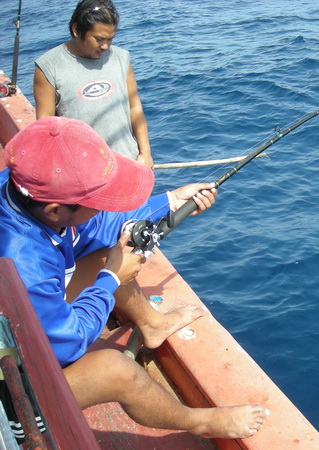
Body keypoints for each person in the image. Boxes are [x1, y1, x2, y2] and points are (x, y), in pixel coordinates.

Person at [0, 116, 268, 439]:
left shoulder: (22, 191)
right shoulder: (21, 264)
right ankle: (201, 423)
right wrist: (110, 279)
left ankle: (153, 325)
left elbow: (96, 226)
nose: (104, 206)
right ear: (56, 211)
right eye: (96, 202)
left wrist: (170, 202)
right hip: (14, 392)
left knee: (108, 254)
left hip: (25, 323)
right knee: (117, 370)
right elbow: (67, 345)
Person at [33, 0, 154, 168]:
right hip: (81, 169)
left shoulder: (121, 58)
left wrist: (145, 153)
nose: (105, 46)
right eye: (99, 39)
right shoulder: (49, 66)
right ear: (76, 30)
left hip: (128, 163)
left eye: (110, 39)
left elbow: (135, 107)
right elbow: (45, 124)